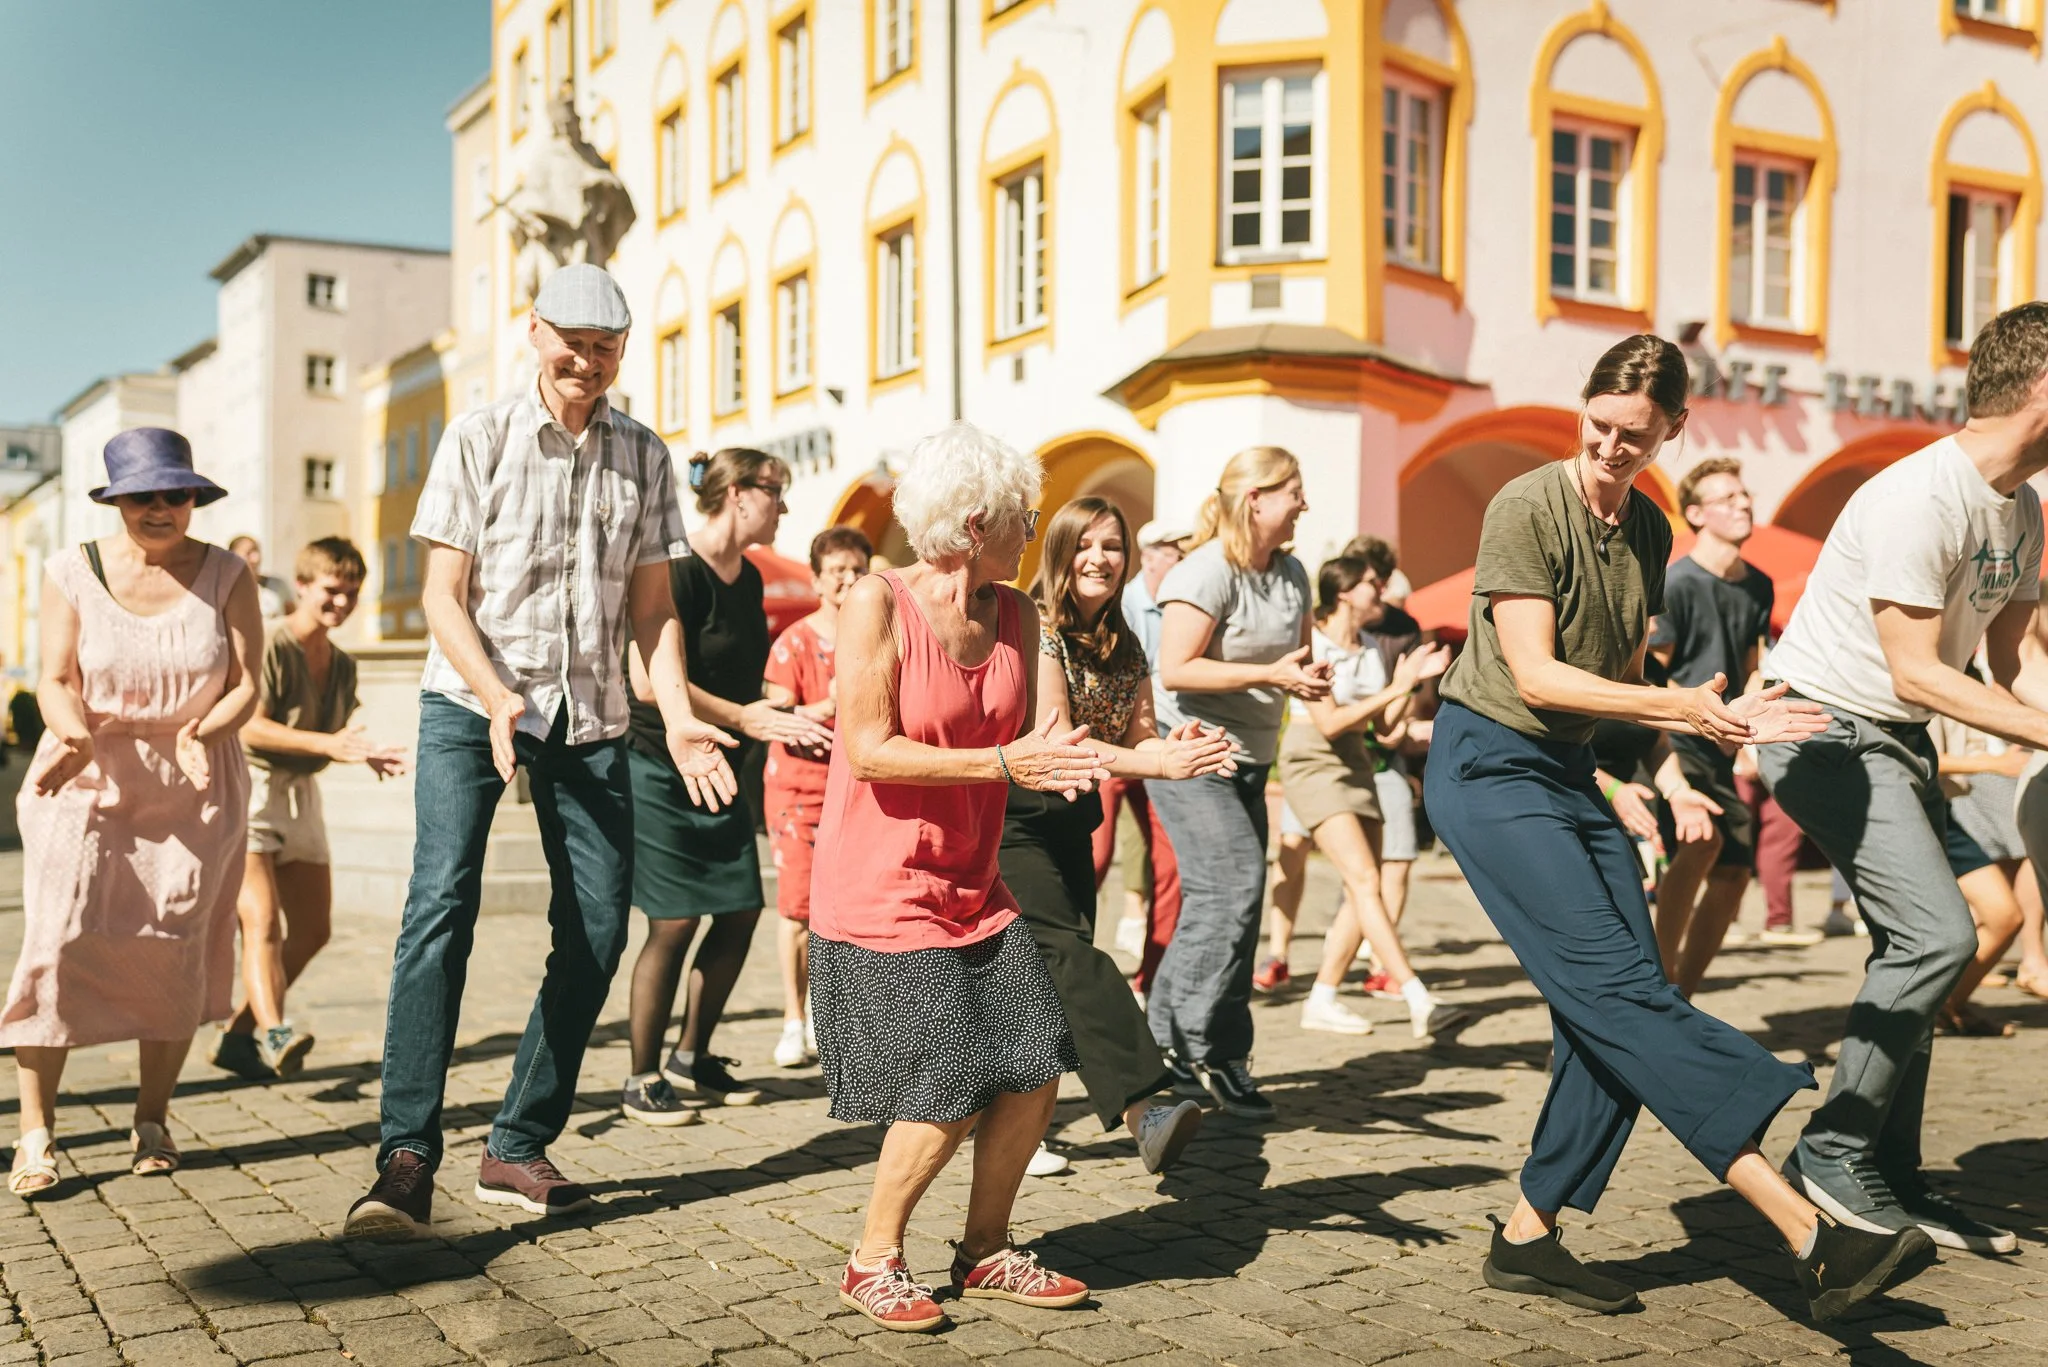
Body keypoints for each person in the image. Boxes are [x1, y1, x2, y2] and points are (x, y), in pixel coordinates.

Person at [1426, 334, 1932, 1323]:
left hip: (1573, 771)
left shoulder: (1648, 529)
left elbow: (1618, 685)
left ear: (1669, 430)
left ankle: (1527, 1232)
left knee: (1616, 998)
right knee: (1619, 991)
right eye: (1599, 425)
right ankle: (1805, 1229)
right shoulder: (1524, 505)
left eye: (1633, 434)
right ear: (1583, 406)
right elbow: (1532, 673)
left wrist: (1665, 769)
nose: (1610, 447)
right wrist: (1686, 718)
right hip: (1485, 765)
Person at [344, 264, 736, 1238]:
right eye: (572, 342)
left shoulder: (644, 454)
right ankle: (405, 1154)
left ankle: (516, 1140)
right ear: (534, 331)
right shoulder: (477, 435)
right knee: (440, 905)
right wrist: (493, 694)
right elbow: (442, 593)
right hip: (468, 702)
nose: (587, 362)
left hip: (591, 715)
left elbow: (652, 610)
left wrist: (678, 711)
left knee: (601, 926)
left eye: (606, 348)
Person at [1758, 302, 2048, 1258]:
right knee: (1938, 933)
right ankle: (1832, 1148)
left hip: (1899, 738)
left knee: (1912, 950)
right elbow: (1917, 670)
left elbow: (2009, 663)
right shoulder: (1920, 496)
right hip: (1823, 728)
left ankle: (1899, 1177)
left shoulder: (2025, 509)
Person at [808, 422, 1102, 1332]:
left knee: (1036, 1057)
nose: (1033, 529)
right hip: (880, 885)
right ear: (977, 522)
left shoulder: (1018, 613)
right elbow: (870, 746)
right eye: (1025, 515)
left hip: (974, 884)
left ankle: (984, 1249)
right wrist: (1003, 767)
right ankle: (872, 1259)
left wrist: (1159, 759)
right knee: (952, 1070)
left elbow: (1049, 742)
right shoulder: (877, 603)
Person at [3, 428, 262, 1192]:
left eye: (175, 494)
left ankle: (152, 1117)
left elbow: (247, 684)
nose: (161, 508)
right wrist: (74, 732)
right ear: (115, 500)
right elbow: (53, 677)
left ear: (194, 497)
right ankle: (35, 1134)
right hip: (86, 771)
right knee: (54, 942)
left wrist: (200, 730)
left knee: (173, 946)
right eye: (143, 495)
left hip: (194, 779)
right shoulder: (71, 569)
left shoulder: (227, 572)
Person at [1002, 497, 1221, 1178]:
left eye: (1113, 546)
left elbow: (1139, 733)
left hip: (1072, 821)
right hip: (1012, 817)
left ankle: (1018, 1125)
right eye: (1085, 545)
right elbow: (1060, 734)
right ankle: (1146, 1108)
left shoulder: (1125, 641)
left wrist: (1169, 743)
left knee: (1044, 982)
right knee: (1070, 958)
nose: (1100, 558)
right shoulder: (1035, 625)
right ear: (1060, 554)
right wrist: (1154, 762)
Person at [620, 447, 833, 1123]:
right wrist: (745, 716)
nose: (784, 507)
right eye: (777, 493)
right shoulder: (676, 568)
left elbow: (748, 686)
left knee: (740, 910)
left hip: (725, 771)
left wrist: (784, 716)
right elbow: (649, 682)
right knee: (675, 919)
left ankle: (693, 1055)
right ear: (739, 493)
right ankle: (641, 1075)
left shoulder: (746, 579)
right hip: (660, 763)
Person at [1148, 446, 1331, 1120]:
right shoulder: (1205, 571)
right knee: (1232, 887)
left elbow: (1296, 657)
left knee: (1236, 905)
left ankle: (1213, 1049)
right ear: (1255, 499)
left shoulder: (1292, 574)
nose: (1304, 504)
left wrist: (1307, 677)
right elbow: (1175, 669)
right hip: (1192, 754)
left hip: (1252, 756)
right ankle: (1181, 1044)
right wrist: (1273, 675)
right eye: (1294, 491)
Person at [213, 538, 408, 1083]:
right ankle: (275, 1030)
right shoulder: (272, 643)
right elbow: (250, 723)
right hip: (250, 788)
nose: (341, 603)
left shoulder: (343, 664)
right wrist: (329, 746)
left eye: (351, 593)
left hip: (302, 796)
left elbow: (334, 735)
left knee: (314, 929)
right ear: (301, 586)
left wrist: (361, 752)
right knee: (261, 922)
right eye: (331, 590)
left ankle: (236, 1033)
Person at [1276, 557, 1464, 1039]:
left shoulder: (1366, 649)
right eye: (1371, 585)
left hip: (1358, 761)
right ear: (1343, 591)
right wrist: (1396, 688)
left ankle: (1322, 996)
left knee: (1367, 887)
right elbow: (1331, 721)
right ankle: (1417, 995)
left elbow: (1383, 730)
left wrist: (1413, 683)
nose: (1381, 592)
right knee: (1363, 878)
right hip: (1314, 759)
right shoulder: (1311, 642)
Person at [1647, 459, 1793, 994]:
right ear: (1695, 514)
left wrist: (1753, 727)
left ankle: (1680, 993)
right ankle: (1658, 987)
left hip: (1724, 747)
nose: (1743, 504)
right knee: (1701, 842)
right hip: (1673, 742)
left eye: (1744, 494)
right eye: (1726, 498)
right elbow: (1646, 678)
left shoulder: (1759, 585)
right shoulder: (1677, 584)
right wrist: (1697, 714)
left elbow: (1752, 663)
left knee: (1733, 874)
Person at [761, 525, 872, 1069]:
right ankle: (793, 1020)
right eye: (837, 571)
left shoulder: (876, 634)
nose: (848, 580)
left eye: (857, 569)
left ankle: (844, 1026)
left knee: (853, 909)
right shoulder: (795, 641)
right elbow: (774, 714)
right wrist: (826, 706)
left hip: (862, 787)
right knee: (799, 910)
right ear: (817, 578)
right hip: (800, 790)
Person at [1097, 519, 1188, 994]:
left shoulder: (1186, 603)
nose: (1183, 560)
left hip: (1161, 744)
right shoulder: (1121, 604)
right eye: (1175, 551)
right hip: (1109, 745)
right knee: (1095, 854)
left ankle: (1153, 977)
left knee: (1170, 862)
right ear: (1150, 555)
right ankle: (1061, 969)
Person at [1930, 715, 2025, 1037]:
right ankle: (1924, 1016)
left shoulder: (1961, 675)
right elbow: (1901, 756)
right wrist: (1995, 763)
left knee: (2005, 916)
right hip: (1904, 813)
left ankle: (1945, 1006)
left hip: (1943, 812)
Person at [229, 535, 293, 620]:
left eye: (256, 551)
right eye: (248, 553)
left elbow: (292, 617)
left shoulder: (278, 586)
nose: (256, 559)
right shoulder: (227, 591)